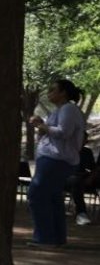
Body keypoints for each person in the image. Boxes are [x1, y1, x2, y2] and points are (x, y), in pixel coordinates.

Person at [26, 78, 86, 247]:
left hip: (56, 159)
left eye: (53, 90)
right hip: (53, 158)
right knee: (53, 197)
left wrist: (41, 124)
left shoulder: (68, 108)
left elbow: (63, 132)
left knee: (36, 194)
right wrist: (41, 127)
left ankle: (44, 238)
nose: (49, 93)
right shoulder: (58, 111)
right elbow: (51, 133)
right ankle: (57, 238)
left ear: (63, 93)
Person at [69, 145, 97, 226]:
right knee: (75, 181)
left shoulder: (87, 152)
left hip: (83, 178)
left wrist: (91, 177)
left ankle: (81, 213)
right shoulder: (67, 149)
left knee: (77, 181)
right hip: (67, 177)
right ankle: (81, 213)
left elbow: (93, 168)